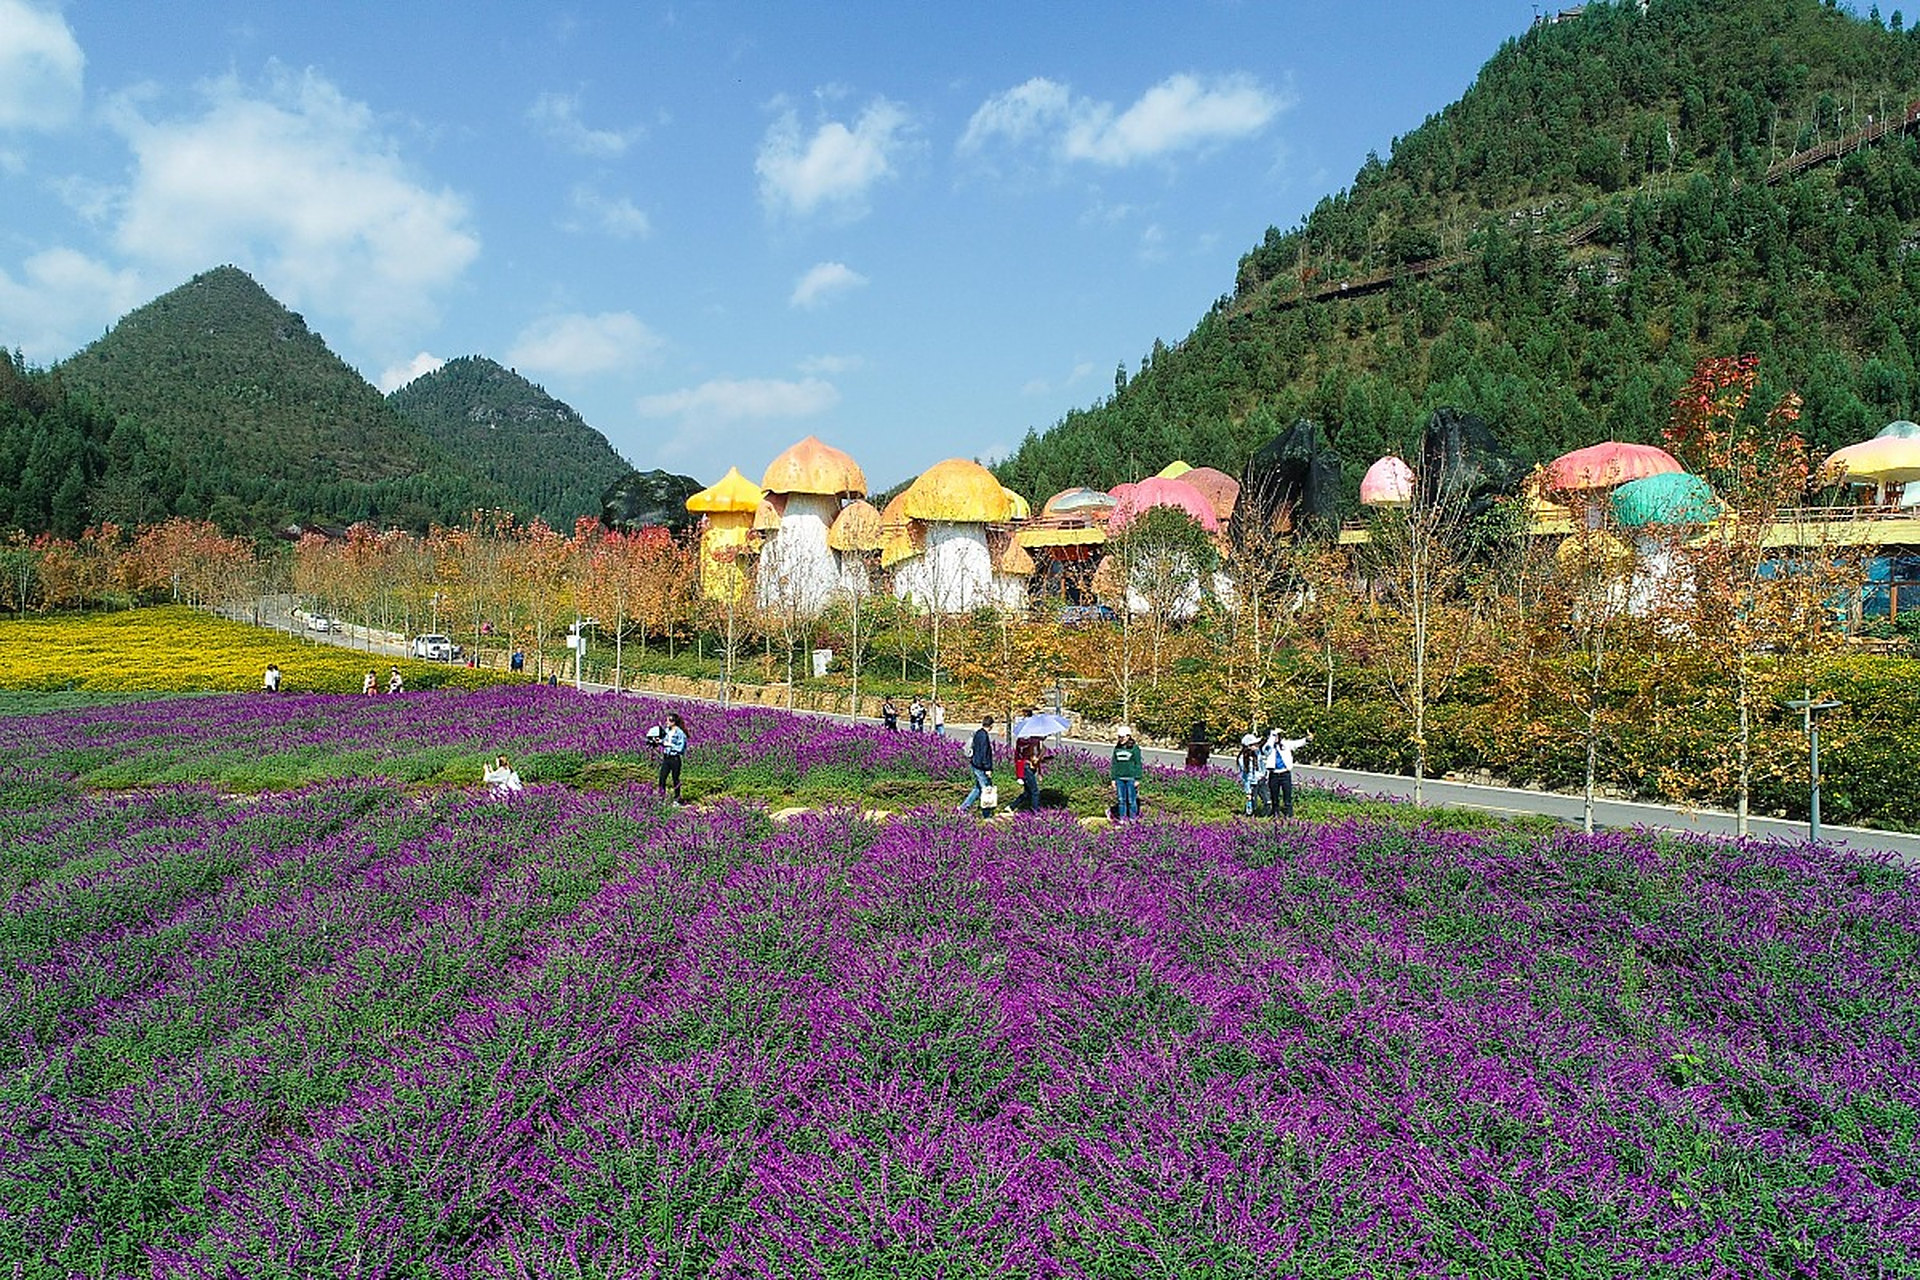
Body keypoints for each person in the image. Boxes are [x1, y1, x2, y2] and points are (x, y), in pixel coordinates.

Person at [1261, 727, 1314, 818]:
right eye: (1273, 736)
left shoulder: (1285, 744)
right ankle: (1275, 813)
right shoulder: (1267, 747)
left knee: (1287, 795)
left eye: (1277, 735)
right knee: (1274, 795)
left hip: (1285, 774)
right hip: (1274, 774)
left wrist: (1307, 739)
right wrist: (1271, 738)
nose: (1276, 737)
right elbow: (1267, 750)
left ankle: (1289, 814)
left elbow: (1297, 743)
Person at [958, 715, 995, 815]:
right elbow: (984, 753)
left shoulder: (978, 733)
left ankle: (963, 807)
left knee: (978, 789)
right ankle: (986, 814)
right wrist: (987, 768)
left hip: (975, 763)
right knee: (986, 789)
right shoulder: (984, 736)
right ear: (991, 725)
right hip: (981, 766)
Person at [1110, 726, 1144, 819]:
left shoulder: (1134, 748)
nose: (1120, 739)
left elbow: (1138, 764)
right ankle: (1122, 819)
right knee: (1121, 800)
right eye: (1119, 737)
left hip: (1131, 778)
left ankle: (1132, 819)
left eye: (1122, 737)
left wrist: (1138, 778)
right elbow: (1114, 763)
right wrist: (1113, 778)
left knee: (1131, 800)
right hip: (1119, 778)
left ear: (1128, 736)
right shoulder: (1117, 748)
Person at [657, 711, 687, 803]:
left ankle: (677, 799)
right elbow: (664, 741)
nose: (666, 723)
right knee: (662, 778)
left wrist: (670, 745)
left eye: (668, 721)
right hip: (666, 758)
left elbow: (681, 748)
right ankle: (661, 799)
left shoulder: (680, 733)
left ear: (673, 722)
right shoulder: (667, 731)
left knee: (675, 779)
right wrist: (659, 741)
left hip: (675, 758)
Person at [1015, 738, 1046, 812]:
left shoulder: (1038, 743)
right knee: (1035, 791)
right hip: (1027, 768)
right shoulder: (1028, 743)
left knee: (1027, 792)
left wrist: (1039, 772)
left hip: (1031, 768)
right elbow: (1029, 757)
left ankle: (1012, 806)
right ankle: (1035, 811)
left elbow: (1036, 759)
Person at [1237, 733, 1263, 816]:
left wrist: (1261, 775)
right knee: (1249, 797)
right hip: (1248, 780)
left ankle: (1254, 811)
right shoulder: (1242, 758)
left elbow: (1261, 765)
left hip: (1257, 779)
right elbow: (1245, 774)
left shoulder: (1257, 753)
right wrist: (1247, 789)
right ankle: (1249, 813)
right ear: (1248, 746)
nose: (1257, 746)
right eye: (1254, 744)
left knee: (1255, 797)